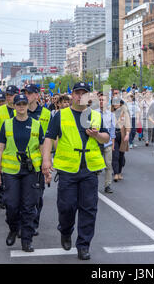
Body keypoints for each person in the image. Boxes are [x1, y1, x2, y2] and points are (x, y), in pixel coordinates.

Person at [41, 82, 109, 260]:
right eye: (77, 93)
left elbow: (106, 138)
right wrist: (46, 161)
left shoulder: (95, 115)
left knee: (89, 208)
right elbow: (49, 138)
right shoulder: (61, 115)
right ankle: (65, 230)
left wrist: (96, 135)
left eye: (84, 93)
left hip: (90, 169)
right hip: (68, 170)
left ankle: (83, 245)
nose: (80, 96)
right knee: (66, 207)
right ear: (72, 95)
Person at [0, 93, 47, 253]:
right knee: (11, 205)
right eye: (19, 104)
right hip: (11, 171)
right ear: (14, 106)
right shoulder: (7, 124)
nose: (22, 106)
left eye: (24, 103)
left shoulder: (36, 125)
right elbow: (0, 149)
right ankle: (13, 228)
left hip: (31, 171)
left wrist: (46, 165)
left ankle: (27, 240)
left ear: (27, 105)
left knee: (29, 207)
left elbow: (43, 147)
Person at [22, 84, 51, 235]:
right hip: (20, 160)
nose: (26, 96)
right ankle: (24, 224)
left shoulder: (46, 113)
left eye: (30, 93)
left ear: (37, 95)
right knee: (22, 195)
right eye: (25, 93)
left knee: (37, 195)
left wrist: (49, 158)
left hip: (39, 160)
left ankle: (33, 223)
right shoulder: (20, 111)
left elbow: (52, 137)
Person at [97, 94, 116, 193]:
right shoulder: (94, 113)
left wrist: (113, 143)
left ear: (107, 101)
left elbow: (112, 130)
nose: (101, 101)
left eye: (103, 100)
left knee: (108, 165)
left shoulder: (111, 114)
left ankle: (108, 185)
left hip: (107, 143)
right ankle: (93, 184)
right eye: (99, 100)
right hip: (96, 143)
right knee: (96, 166)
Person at [111, 97, 130, 182]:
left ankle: (119, 173)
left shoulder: (124, 112)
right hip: (113, 135)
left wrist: (128, 134)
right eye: (114, 102)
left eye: (117, 102)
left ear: (120, 103)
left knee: (121, 155)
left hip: (122, 135)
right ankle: (115, 173)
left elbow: (128, 123)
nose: (115, 104)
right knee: (115, 155)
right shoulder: (110, 112)